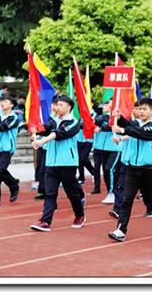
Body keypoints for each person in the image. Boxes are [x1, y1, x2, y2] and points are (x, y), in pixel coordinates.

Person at [108, 98, 152, 242]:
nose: (141, 112)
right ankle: (121, 230)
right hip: (132, 169)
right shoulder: (135, 124)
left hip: (148, 170)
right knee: (126, 200)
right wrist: (119, 117)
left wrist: (122, 130)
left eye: (144, 109)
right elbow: (130, 126)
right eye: (140, 109)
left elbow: (142, 133)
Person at [29, 95, 85, 232]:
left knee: (71, 193)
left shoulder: (73, 122)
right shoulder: (53, 120)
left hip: (67, 163)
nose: (57, 107)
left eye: (61, 105)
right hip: (51, 163)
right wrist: (36, 128)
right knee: (50, 193)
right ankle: (45, 221)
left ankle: (79, 215)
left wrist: (41, 142)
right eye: (57, 105)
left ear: (69, 107)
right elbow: (46, 128)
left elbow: (58, 134)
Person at [92, 99, 121, 205]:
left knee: (109, 169)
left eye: (111, 105)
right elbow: (96, 122)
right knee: (105, 170)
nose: (108, 106)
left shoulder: (119, 118)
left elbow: (109, 126)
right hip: (102, 148)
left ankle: (112, 192)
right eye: (107, 105)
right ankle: (112, 192)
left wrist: (100, 128)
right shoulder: (102, 117)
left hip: (115, 148)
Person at [77, 119, 95, 185]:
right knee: (79, 160)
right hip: (79, 140)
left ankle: (93, 172)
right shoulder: (78, 118)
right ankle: (81, 178)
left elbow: (86, 125)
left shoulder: (91, 115)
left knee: (84, 158)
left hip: (88, 140)